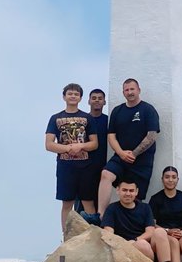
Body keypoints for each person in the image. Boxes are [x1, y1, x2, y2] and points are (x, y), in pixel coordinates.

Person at [97, 79, 160, 212]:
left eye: (132, 89)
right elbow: (111, 135)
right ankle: (101, 215)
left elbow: (152, 135)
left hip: (142, 160)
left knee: (135, 197)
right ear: (123, 92)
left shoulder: (148, 110)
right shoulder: (117, 111)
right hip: (120, 156)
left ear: (138, 90)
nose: (130, 92)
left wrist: (134, 153)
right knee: (106, 175)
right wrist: (121, 153)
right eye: (127, 90)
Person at [45, 83, 98, 234]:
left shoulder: (87, 118)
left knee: (88, 201)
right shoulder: (55, 118)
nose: (73, 96)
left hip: (85, 166)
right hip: (65, 166)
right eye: (70, 94)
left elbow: (94, 143)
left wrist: (80, 147)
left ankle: (91, 234)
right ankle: (66, 236)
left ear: (81, 98)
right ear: (64, 96)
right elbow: (49, 144)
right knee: (67, 203)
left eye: (76, 94)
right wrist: (68, 148)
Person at [101, 180, 172, 262]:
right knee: (143, 245)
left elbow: (150, 232)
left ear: (136, 192)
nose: (128, 193)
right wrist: (125, 244)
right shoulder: (112, 208)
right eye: (124, 190)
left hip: (145, 246)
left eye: (131, 191)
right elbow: (108, 233)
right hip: (123, 248)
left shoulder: (145, 207)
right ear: (118, 190)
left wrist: (135, 240)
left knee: (160, 232)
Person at [80, 88, 108, 215]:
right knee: (81, 203)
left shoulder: (108, 121)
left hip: (102, 167)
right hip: (83, 167)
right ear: (89, 101)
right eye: (94, 98)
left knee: (100, 203)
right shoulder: (82, 121)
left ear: (104, 102)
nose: (97, 100)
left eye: (100, 98)